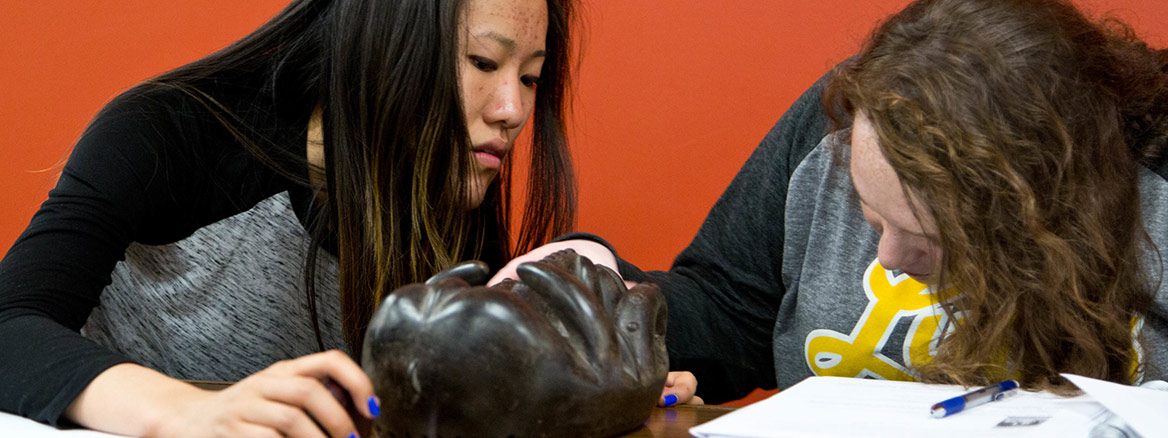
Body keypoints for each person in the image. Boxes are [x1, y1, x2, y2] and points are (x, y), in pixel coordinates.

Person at [496, 0, 1168, 404]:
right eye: (871, 217)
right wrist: (610, 290)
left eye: (932, 241)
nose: (888, 260)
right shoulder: (844, 120)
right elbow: (732, 313)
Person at [0, 0, 581, 436]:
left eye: (530, 76)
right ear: (384, 43)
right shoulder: (164, 134)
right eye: (484, 61)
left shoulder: (454, 192)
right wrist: (182, 410)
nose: (512, 110)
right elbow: (9, 324)